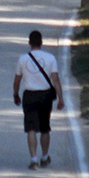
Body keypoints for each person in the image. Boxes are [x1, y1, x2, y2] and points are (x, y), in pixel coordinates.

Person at [13, 29, 64, 170]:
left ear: (29, 43)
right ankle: (45, 157)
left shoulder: (23, 59)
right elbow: (56, 79)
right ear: (41, 42)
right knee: (45, 128)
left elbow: (17, 80)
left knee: (31, 128)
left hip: (29, 95)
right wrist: (60, 98)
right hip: (45, 96)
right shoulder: (50, 58)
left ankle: (33, 159)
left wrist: (15, 94)